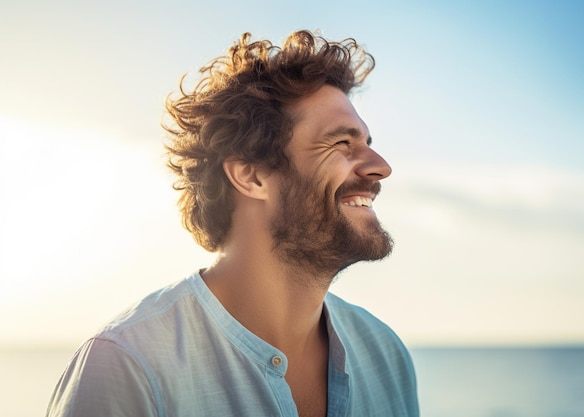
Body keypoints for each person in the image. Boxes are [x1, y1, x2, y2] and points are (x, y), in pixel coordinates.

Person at [46, 30, 419, 417]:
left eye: (367, 142)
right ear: (251, 176)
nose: (380, 167)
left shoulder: (384, 355)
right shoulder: (128, 365)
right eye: (341, 143)